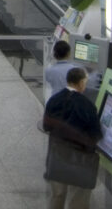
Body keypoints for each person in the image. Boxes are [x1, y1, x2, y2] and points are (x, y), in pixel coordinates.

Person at [42, 67, 102, 209]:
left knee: (57, 194)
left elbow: (46, 126)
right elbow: (96, 134)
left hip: (56, 155)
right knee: (78, 196)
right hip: (79, 160)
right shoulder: (87, 106)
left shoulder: (54, 100)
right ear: (81, 83)